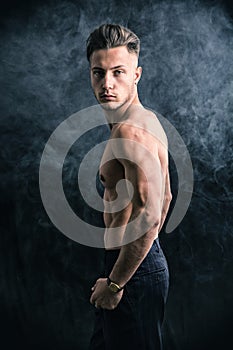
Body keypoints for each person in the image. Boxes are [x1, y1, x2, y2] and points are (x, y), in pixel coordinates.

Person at [86, 24, 172, 350]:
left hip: (130, 274)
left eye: (118, 73)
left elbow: (150, 215)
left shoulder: (130, 132)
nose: (107, 84)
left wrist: (116, 282)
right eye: (98, 73)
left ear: (136, 74)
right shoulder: (143, 120)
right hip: (133, 266)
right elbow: (165, 197)